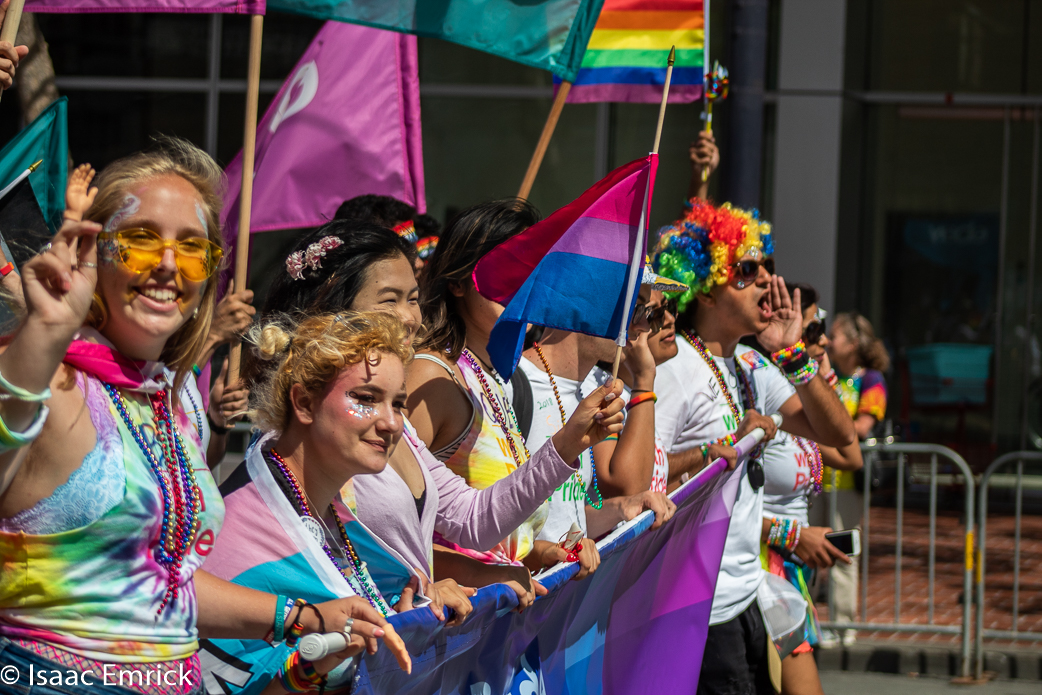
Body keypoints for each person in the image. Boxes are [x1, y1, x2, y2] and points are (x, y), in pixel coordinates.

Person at [0, 139, 402, 695]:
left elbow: (163, 585)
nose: (168, 264)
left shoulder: (163, 399)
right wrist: (44, 331)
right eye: (142, 240)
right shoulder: (52, 381)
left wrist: (304, 618)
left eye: (192, 248)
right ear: (95, 250)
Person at [251, 219, 622, 611]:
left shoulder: (398, 428)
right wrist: (420, 591)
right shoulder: (292, 443)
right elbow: (310, 574)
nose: (410, 317)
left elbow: (473, 519)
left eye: (412, 298)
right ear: (335, 311)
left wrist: (569, 443)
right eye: (389, 299)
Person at [652, 199, 855, 695]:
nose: (767, 279)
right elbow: (642, 482)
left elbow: (839, 436)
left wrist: (794, 357)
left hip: (748, 598)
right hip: (698, 607)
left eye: (767, 267)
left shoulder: (751, 364)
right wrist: (720, 450)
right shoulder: (674, 368)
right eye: (747, 270)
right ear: (704, 286)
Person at [202, 312, 424, 694]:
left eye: (398, 403)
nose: (391, 422)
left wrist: (419, 608)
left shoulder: (326, 508)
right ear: (304, 403)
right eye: (366, 399)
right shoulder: (239, 531)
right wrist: (312, 668)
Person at [408, 199, 630, 579]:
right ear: (459, 282)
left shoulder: (490, 377)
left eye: (533, 270)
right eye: (508, 266)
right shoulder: (432, 379)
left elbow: (485, 532)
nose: (524, 283)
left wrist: (538, 553)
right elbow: (386, 533)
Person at [514, 288, 678, 564]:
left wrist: (622, 507)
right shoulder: (515, 382)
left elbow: (568, 518)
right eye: (636, 309)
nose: (645, 326)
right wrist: (543, 556)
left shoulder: (582, 391)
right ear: (587, 301)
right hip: (517, 603)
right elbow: (481, 523)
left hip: (564, 601)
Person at [758, 282, 863, 695]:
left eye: (820, 331)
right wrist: (790, 535)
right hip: (763, 568)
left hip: (794, 569)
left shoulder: (798, 408)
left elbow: (849, 451)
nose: (819, 339)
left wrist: (819, 368)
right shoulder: (762, 391)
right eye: (811, 329)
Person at [813, 311, 891, 647]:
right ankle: (809, 622)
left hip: (848, 484)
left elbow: (861, 427)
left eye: (837, 335)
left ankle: (844, 627)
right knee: (810, 552)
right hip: (817, 480)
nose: (828, 340)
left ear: (854, 343)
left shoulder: (871, 380)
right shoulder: (827, 375)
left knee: (844, 553)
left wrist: (826, 422)